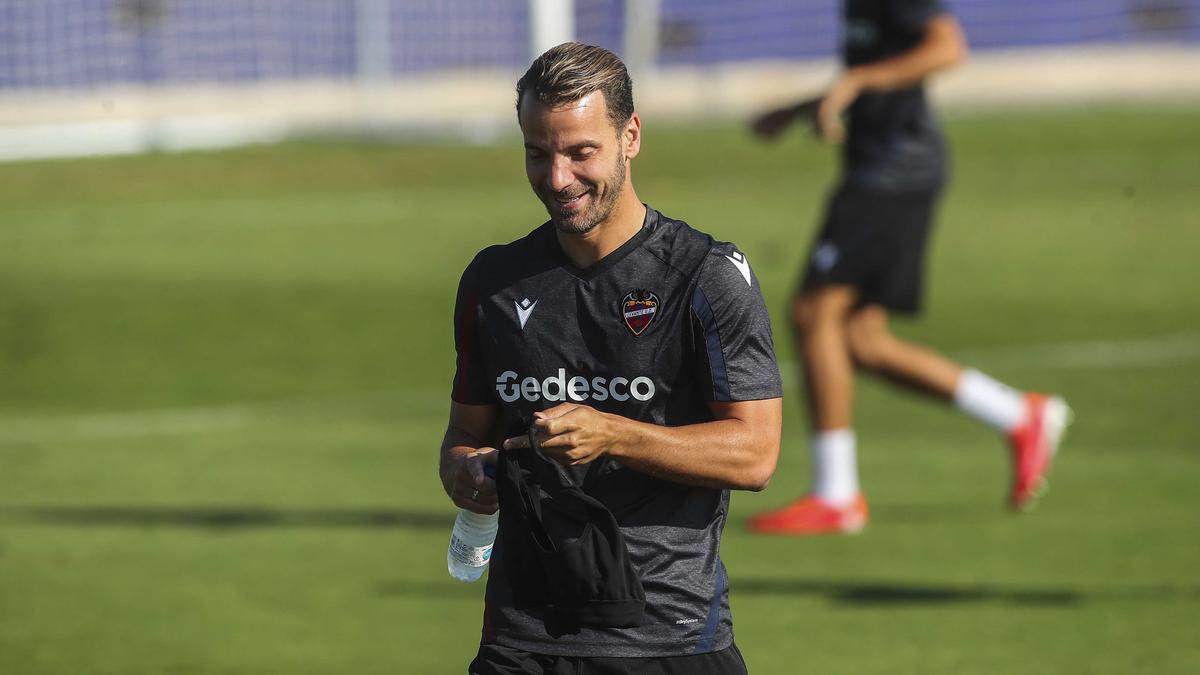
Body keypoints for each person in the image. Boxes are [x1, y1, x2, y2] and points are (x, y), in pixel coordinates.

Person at [439, 42, 784, 674]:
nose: (558, 178)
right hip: (521, 640)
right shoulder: (493, 281)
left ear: (630, 136)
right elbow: (464, 434)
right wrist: (467, 473)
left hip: (666, 638)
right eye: (538, 155)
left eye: (580, 152)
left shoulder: (705, 276)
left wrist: (613, 434)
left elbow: (757, 452)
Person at [746, 0, 1071, 536]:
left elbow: (947, 46)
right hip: (887, 168)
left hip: (893, 174)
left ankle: (837, 495)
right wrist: (807, 105)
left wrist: (854, 81)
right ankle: (1019, 416)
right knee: (860, 339)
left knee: (813, 312)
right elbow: (876, 76)